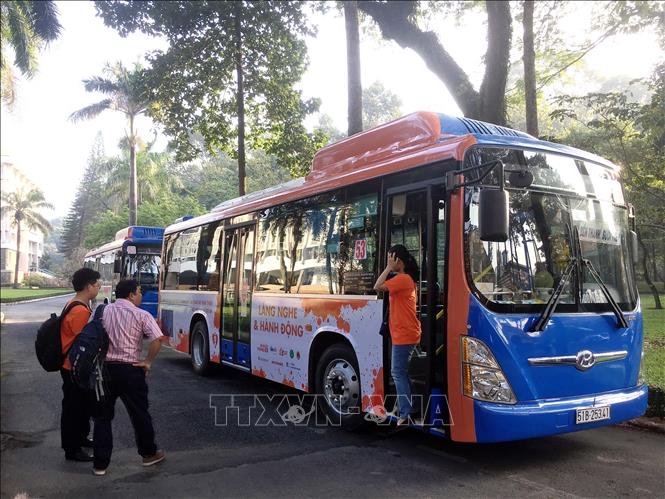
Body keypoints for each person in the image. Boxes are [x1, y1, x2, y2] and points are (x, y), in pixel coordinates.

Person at [92, 279, 168, 476]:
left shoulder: (102, 311)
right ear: (132, 295)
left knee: (102, 417)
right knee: (139, 413)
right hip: (130, 370)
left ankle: (100, 465)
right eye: (140, 291)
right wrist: (148, 361)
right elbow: (158, 339)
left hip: (105, 371)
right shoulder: (141, 314)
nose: (141, 295)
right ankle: (148, 454)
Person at [374, 244, 421, 426]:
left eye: (390, 259)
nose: (388, 262)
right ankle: (414, 403)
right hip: (405, 332)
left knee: (397, 372)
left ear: (398, 261)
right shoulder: (404, 279)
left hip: (405, 334)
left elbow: (377, 286)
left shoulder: (403, 279)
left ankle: (405, 413)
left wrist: (387, 268)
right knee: (402, 372)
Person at [60, 267, 102, 462]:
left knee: (81, 406)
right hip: (74, 367)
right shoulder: (79, 311)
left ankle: (81, 439)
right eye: (96, 284)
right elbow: (82, 345)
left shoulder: (75, 304)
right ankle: (72, 448)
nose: (99, 287)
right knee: (73, 408)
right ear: (88, 287)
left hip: (72, 365)